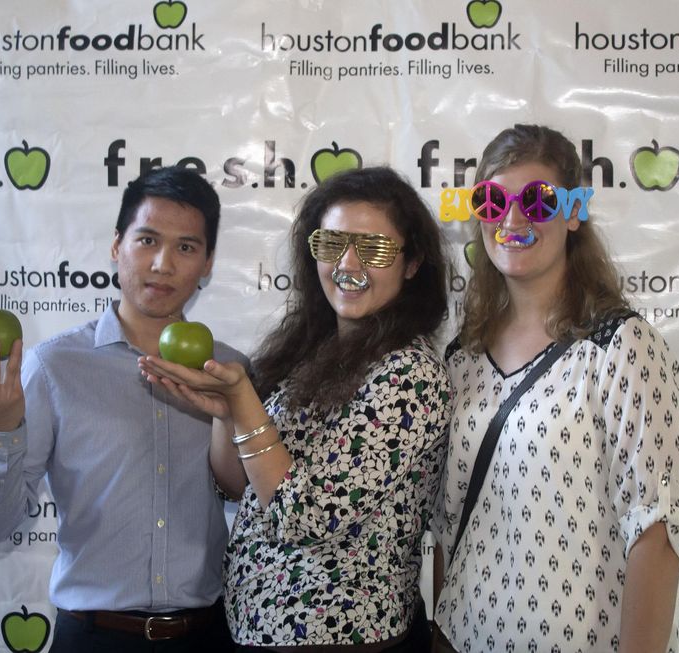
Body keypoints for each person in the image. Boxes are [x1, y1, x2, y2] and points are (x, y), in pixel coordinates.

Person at [138, 166, 452, 651]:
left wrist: (245, 404)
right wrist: (228, 412)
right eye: (331, 243)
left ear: (411, 264)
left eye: (374, 248)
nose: (348, 263)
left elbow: (303, 518)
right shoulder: (308, 353)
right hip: (256, 629)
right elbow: (235, 483)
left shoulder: (409, 374)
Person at [431, 124, 679, 653]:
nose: (512, 218)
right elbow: (447, 529)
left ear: (574, 213)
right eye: (492, 201)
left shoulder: (621, 347)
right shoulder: (461, 359)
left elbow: (657, 531)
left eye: (538, 199)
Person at [0, 165, 246, 652]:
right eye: (147, 240)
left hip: (209, 635)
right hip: (93, 636)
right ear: (117, 246)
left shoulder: (230, 372)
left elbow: (245, 492)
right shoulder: (55, 367)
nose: (162, 264)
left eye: (186, 247)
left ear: (208, 263)